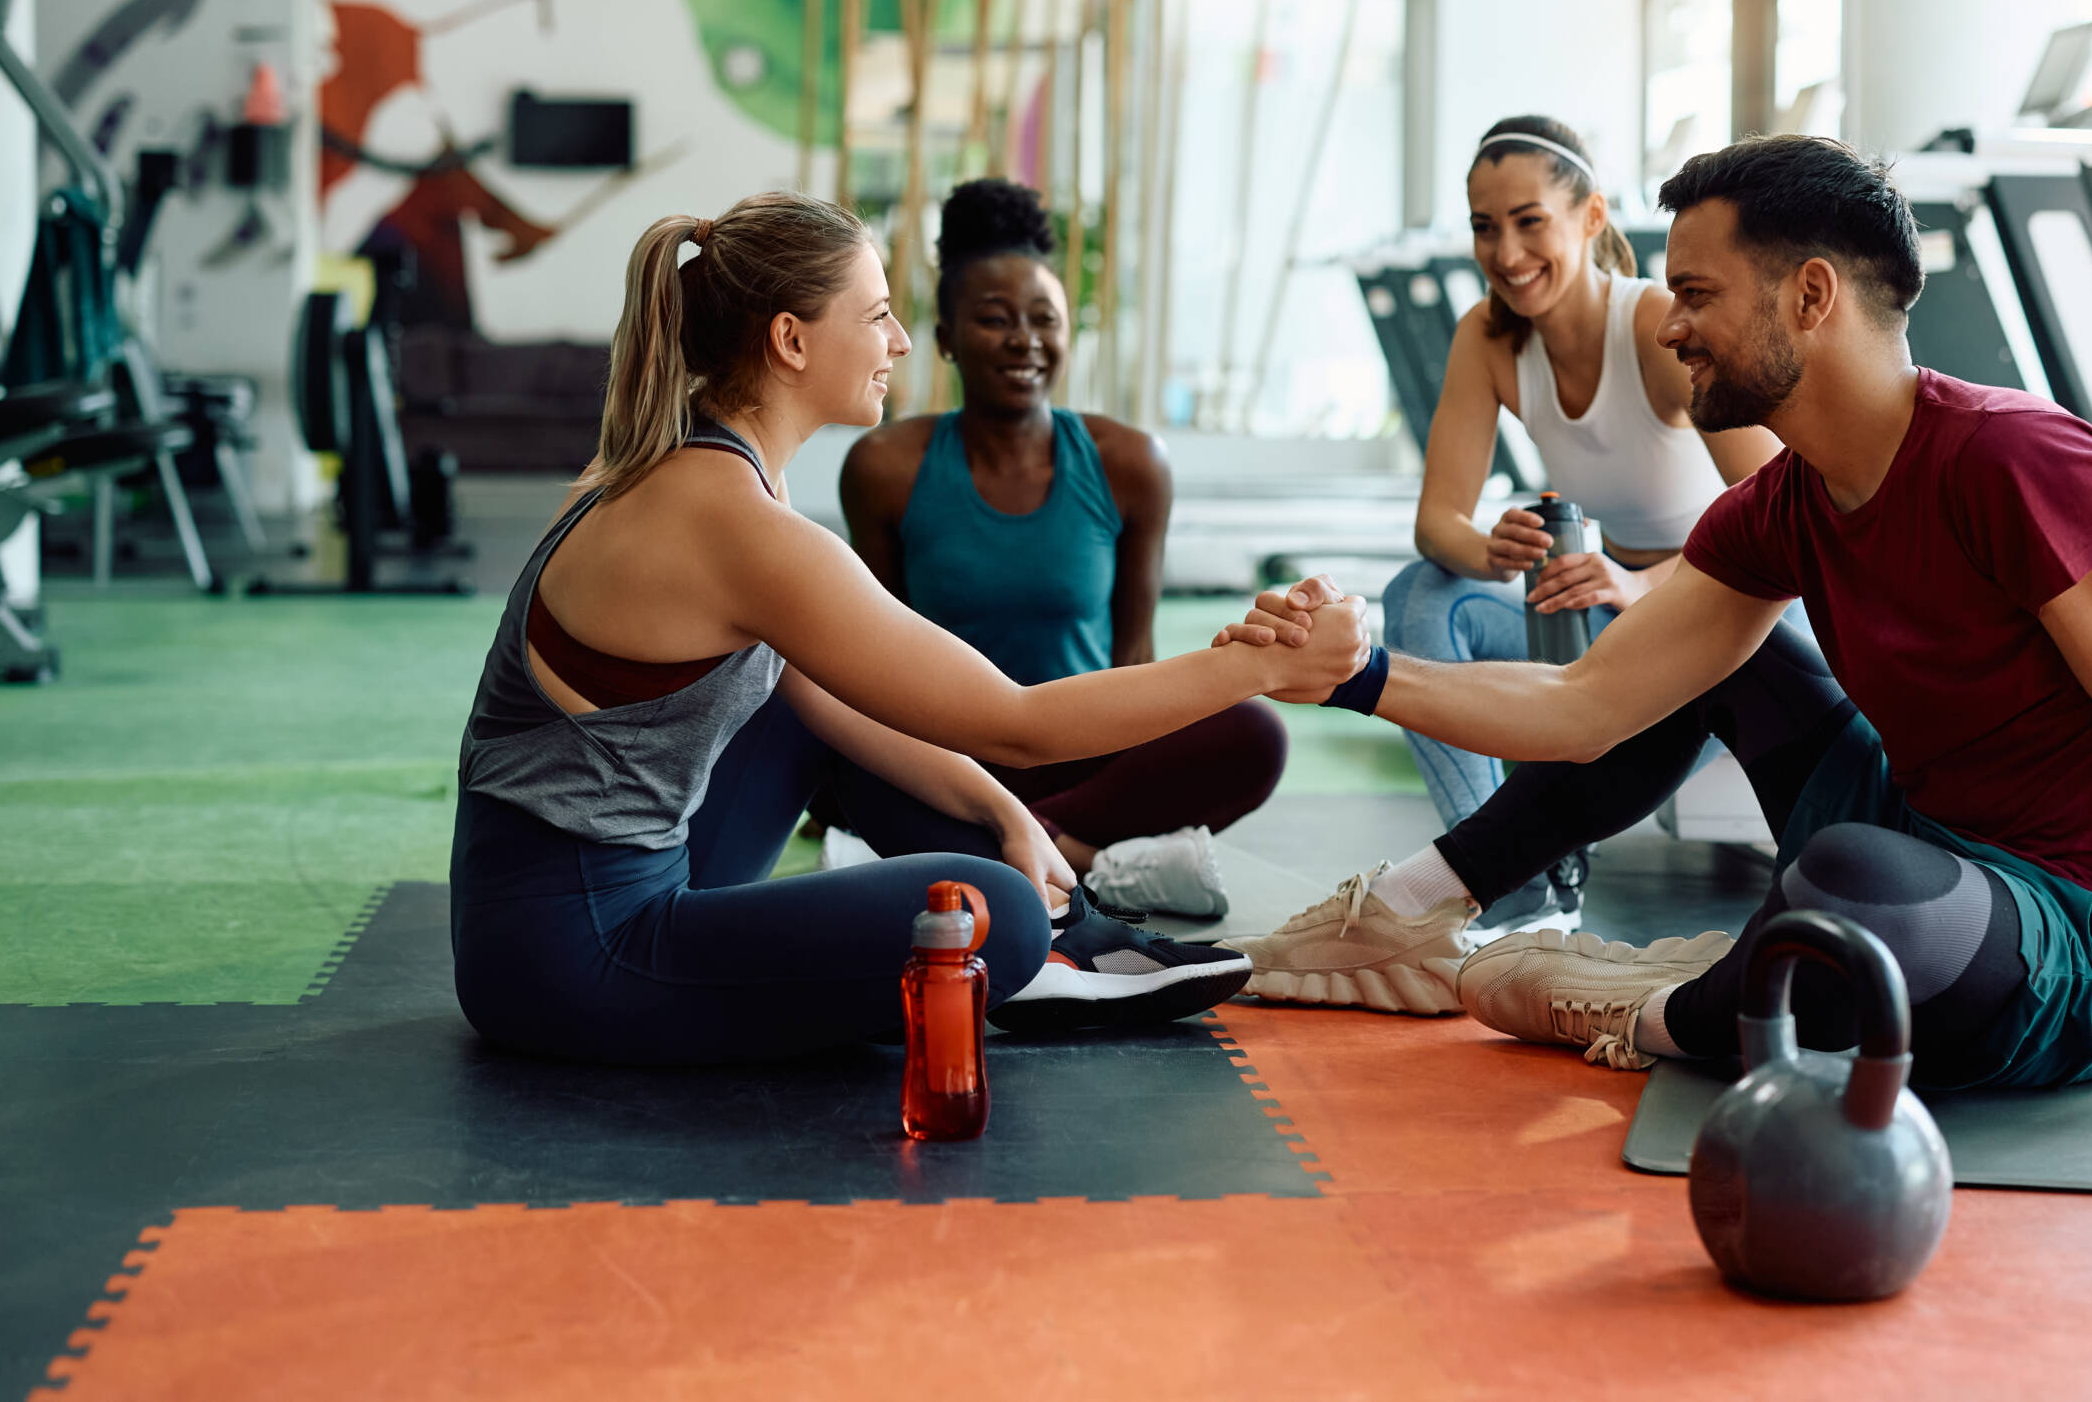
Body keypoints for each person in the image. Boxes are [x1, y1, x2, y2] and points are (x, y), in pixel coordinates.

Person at [1218, 135, 2092, 1113]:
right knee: (1773, 737)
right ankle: (1433, 918)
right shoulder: (1780, 503)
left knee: (1852, 889)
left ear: (1810, 295)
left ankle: (1662, 1009)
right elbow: (1589, 708)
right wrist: (1364, 675)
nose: (1671, 329)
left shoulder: (2017, 459)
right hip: (1910, 833)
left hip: (2062, 937)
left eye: (1698, 295)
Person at [450, 193, 1367, 1066]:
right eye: (878, 315)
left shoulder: (689, 472)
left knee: (839, 716)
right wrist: (1266, 665)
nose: (896, 341)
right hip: (576, 954)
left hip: (555, 913)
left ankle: (1065, 935)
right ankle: (1037, 940)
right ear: (790, 340)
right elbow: (1017, 721)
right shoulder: (739, 528)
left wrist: (1009, 813)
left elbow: (839, 706)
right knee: (993, 915)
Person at [840, 179, 1286, 918]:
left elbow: (1134, 658)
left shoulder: (1132, 462)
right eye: (993, 319)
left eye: (1044, 318)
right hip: (952, 757)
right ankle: (1094, 861)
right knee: (830, 748)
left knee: (1255, 730)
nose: (1024, 339)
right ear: (946, 337)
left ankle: (1041, 848)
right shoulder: (887, 466)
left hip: (1088, 755)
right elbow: (873, 662)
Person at [1383, 117, 1780, 941]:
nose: (1505, 250)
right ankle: (1510, 874)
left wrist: (1639, 584)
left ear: (1591, 218)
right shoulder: (1488, 337)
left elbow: (1780, 508)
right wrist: (1489, 550)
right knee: (1420, 593)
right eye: (1485, 227)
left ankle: (1519, 857)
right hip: (1596, 604)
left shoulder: (1655, 328)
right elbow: (1437, 523)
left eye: (1530, 221)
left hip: (1711, 609)